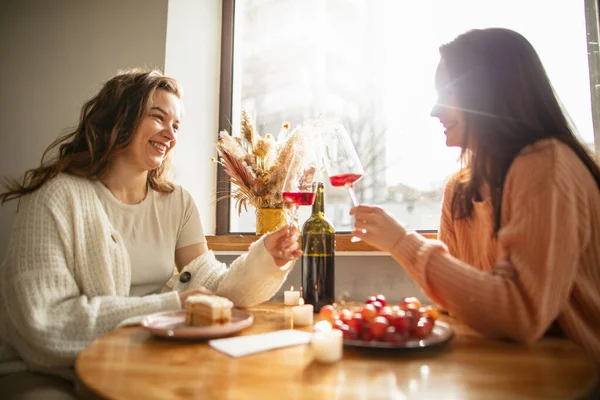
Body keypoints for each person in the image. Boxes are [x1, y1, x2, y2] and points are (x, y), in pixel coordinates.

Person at [0, 69, 301, 398]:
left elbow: (215, 290)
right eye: (158, 117)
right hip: (48, 373)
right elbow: (46, 323)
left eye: (176, 126)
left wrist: (267, 256)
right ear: (120, 117)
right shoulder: (55, 198)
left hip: (141, 361)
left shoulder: (177, 202)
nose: (170, 134)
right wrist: (172, 306)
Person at [350, 28, 600, 362]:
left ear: (491, 95)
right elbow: (459, 305)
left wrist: (401, 243)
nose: (434, 112)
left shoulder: (546, 164)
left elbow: (520, 315)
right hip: (502, 371)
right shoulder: (459, 190)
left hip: (572, 379)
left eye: (449, 93)